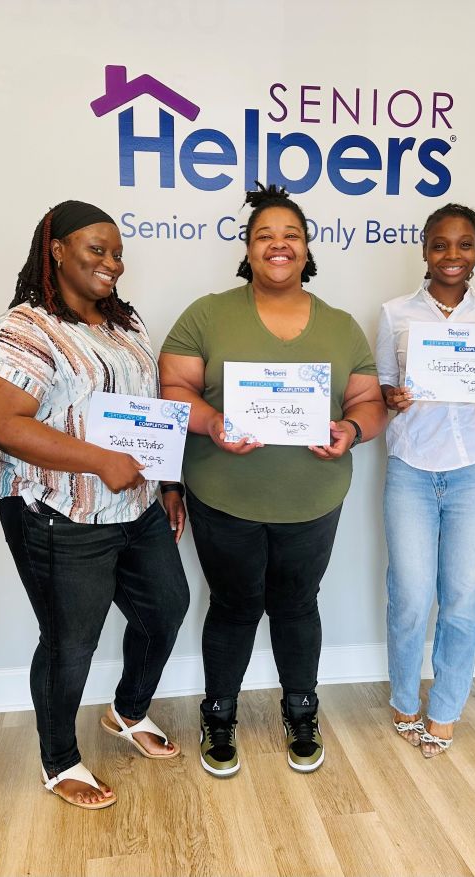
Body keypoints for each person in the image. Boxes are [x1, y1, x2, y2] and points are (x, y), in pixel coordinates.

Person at [159, 183, 387, 776]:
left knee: (296, 605)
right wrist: (211, 423)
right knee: (233, 607)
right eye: (265, 236)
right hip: (225, 497)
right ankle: (219, 714)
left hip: (313, 499)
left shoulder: (339, 326)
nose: (278, 245)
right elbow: (173, 391)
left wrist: (351, 431)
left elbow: (369, 401)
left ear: (308, 250)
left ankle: (301, 709)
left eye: (291, 236)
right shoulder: (207, 314)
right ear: (248, 248)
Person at [0, 200, 190, 810]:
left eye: (117, 252)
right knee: (71, 639)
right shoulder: (26, 328)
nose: (111, 263)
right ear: (57, 250)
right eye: (96, 250)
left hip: (136, 504)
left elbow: (150, 414)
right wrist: (99, 460)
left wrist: (169, 483)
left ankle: (126, 711)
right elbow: (1, 423)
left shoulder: (125, 324)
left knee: (167, 607)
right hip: (56, 509)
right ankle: (59, 758)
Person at [376, 204, 475, 758]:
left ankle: (444, 709)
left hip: (474, 472)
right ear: (423, 249)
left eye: (463, 245)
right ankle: (403, 695)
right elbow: (381, 391)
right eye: (440, 245)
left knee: (464, 600)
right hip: (411, 470)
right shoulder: (395, 313)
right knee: (411, 597)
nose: (451, 255)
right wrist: (391, 398)